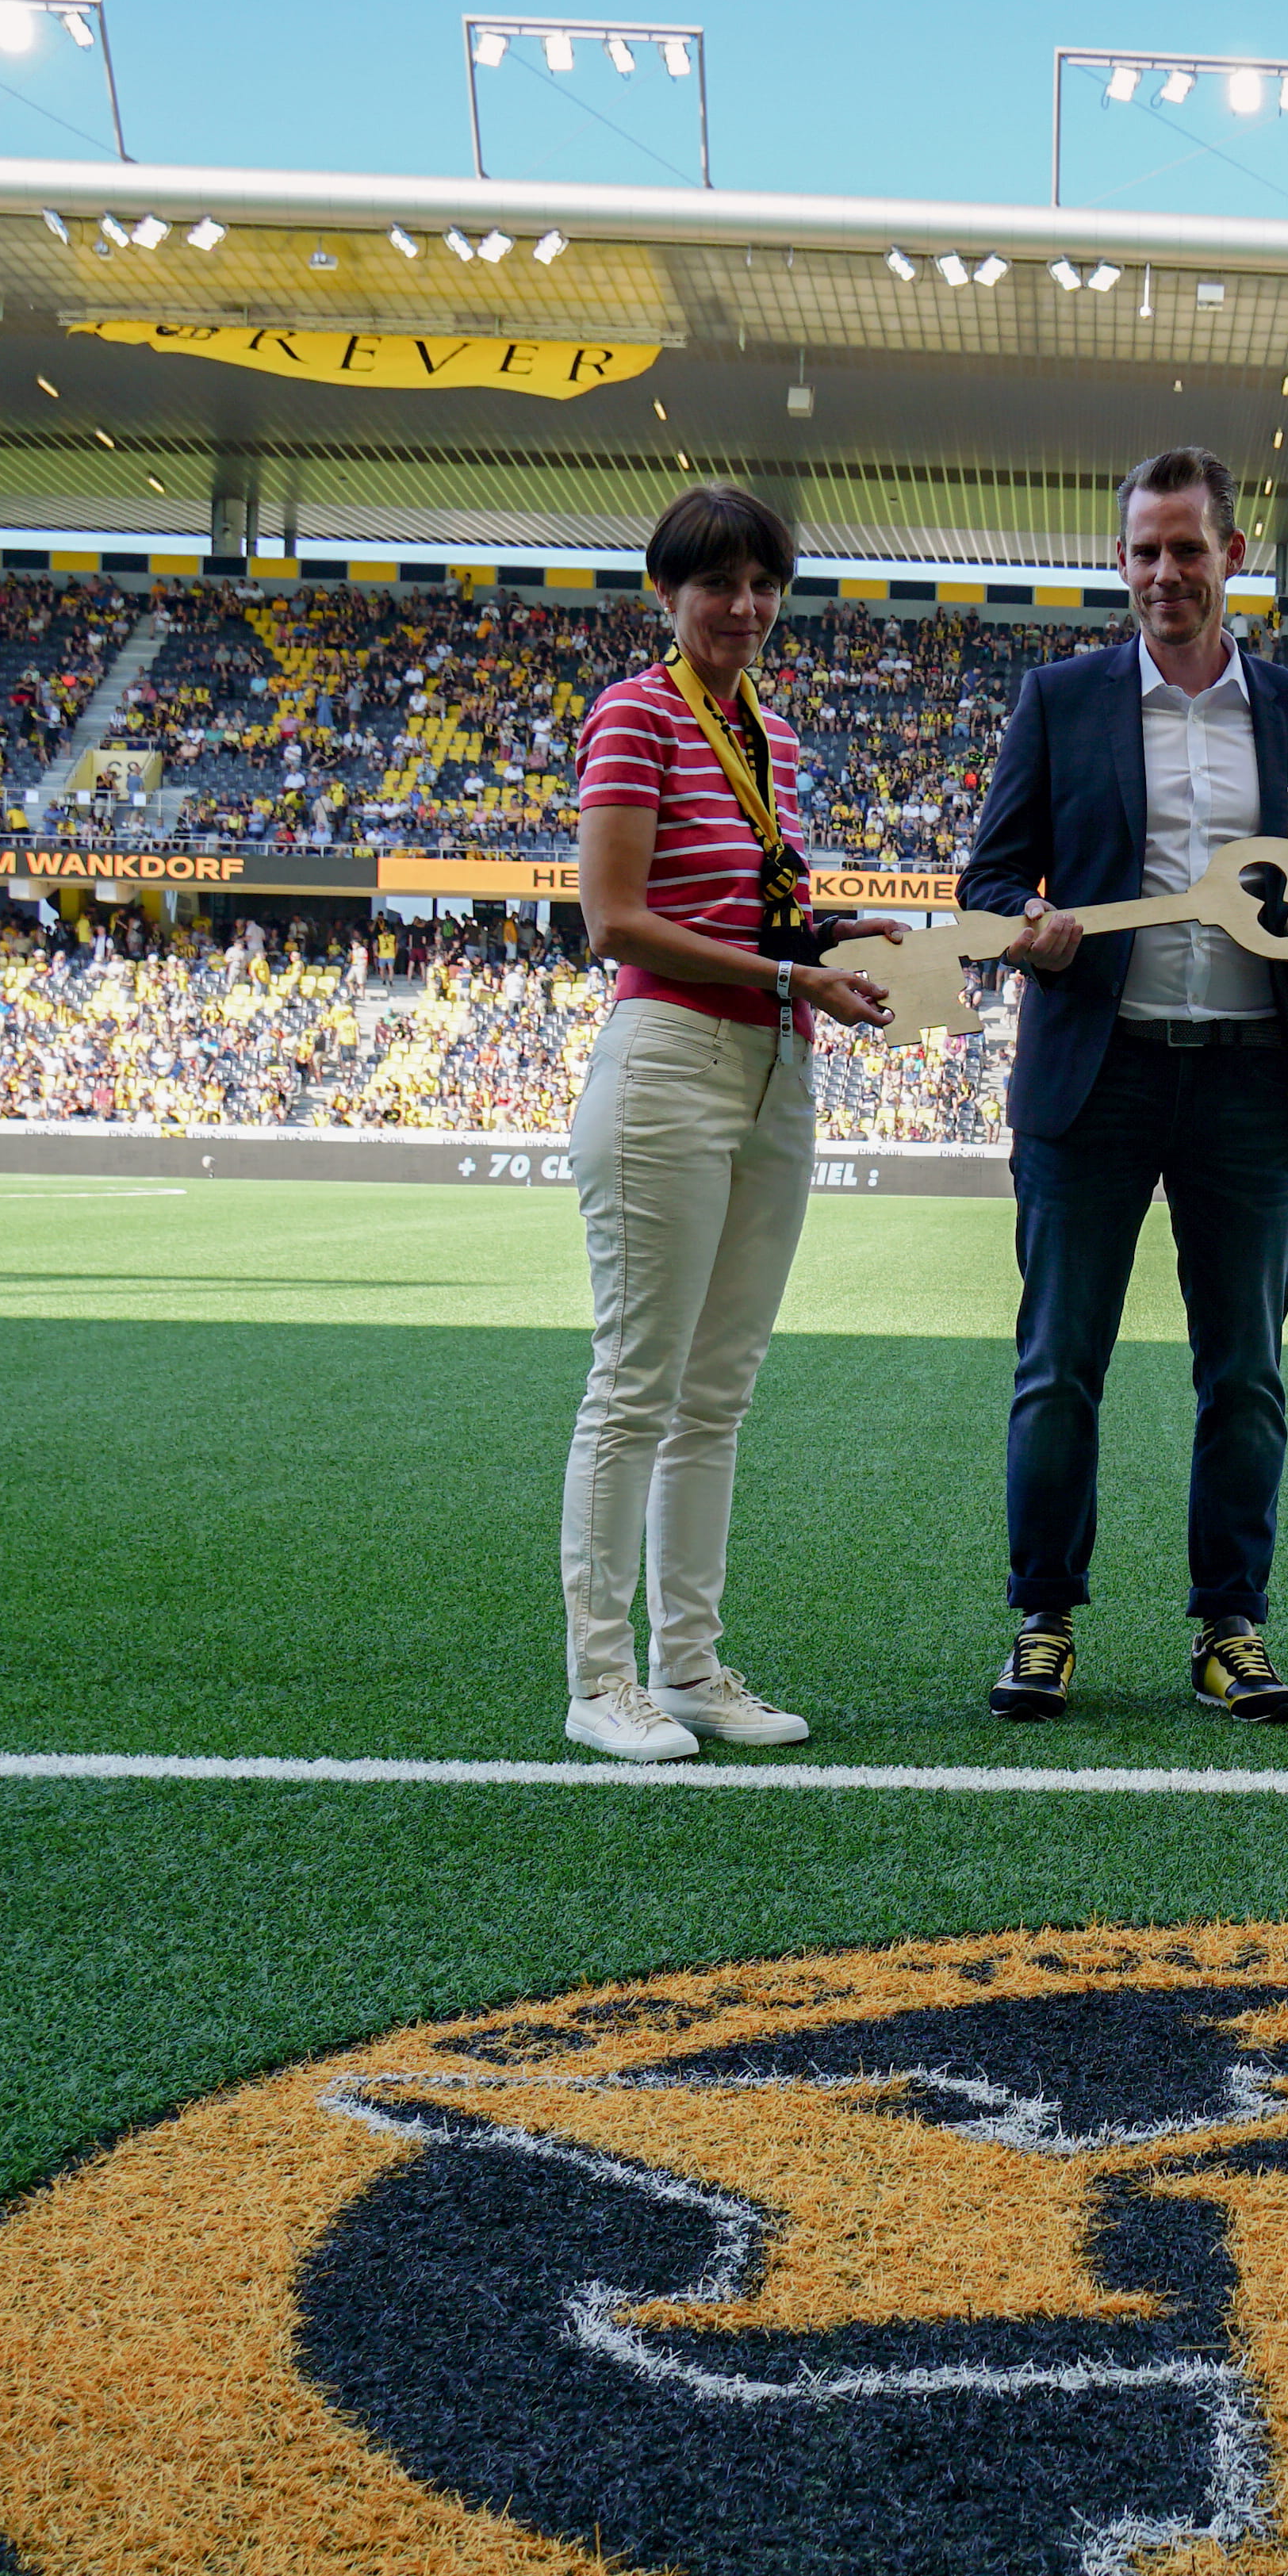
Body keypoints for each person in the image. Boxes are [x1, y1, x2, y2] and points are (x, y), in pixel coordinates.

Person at [962, 446, 1288, 1723]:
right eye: (1144, 550)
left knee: (1244, 1375)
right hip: (1095, 1079)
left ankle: (1229, 1628)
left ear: (1231, 555)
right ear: (1121, 558)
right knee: (1058, 1365)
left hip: (1247, 1087)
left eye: (1187, 549)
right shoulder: (1061, 699)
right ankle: (1044, 1620)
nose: (1164, 573)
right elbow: (988, 880)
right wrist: (1026, 926)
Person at [554, 484, 892, 1763]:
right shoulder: (636, 714)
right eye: (717, 585)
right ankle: (600, 1680)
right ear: (668, 594)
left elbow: (754, 911)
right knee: (637, 1386)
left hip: (773, 1064)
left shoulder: (774, 737)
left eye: (762, 585)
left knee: (717, 1395)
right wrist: (794, 972)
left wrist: (833, 939)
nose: (744, 607)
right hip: (670, 1062)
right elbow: (615, 920)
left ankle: (687, 1669)